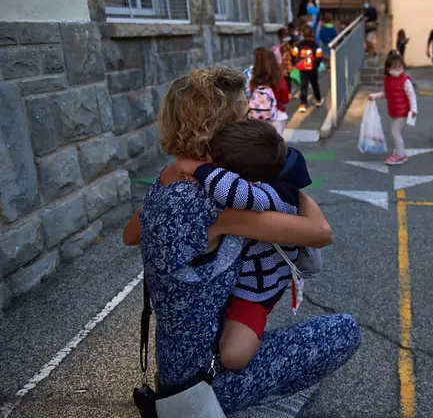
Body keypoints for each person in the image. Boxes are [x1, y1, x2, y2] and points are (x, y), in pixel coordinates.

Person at [122, 67, 360, 414]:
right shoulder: (218, 206)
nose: (255, 124)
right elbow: (321, 233)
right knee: (345, 330)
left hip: (175, 369)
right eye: (246, 117)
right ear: (221, 131)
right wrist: (290, 188)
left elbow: (131, 234)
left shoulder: (170, 177)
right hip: (205, 384)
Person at [173, 120, 313, 369]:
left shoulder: (275, 194)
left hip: (256, 291)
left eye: (213, 164)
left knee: (233, 357)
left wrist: (194, 167)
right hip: (232, 283)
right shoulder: (259, 178)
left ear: (242, 178)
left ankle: (286, 354)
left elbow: (237, 193)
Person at [367, 53, 418, 165]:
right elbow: (385, 94)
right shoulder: (387, 80)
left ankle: (400, 156)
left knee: (395, 132)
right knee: (395, 132)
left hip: (402, 112)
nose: (397, 69)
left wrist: (414, 109)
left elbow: (412, 96)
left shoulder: (405, 81)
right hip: (393, 111)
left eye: (399, 67)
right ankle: (401, 153)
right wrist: (374, 96)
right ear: (388, 68)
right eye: (394, 67)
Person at [293, 24, 323, 113]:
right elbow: (319, 56)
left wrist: (296, 63)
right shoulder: (315, 44)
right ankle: (318, 100)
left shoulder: (299, 44)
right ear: (312, 34)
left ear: (302, 34)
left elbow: (294, 54)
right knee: (315, 84)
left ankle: (303, 104)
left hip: (302, 69)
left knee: (303, 86)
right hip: (312, 68)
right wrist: (316, 65)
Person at [276, 28, 295, 92]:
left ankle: (287, 92)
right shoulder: (283, 46)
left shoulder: (284, 45)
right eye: (285, 35)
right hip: (284, 65)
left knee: (288, 79)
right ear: (281, 36)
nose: (287, 36)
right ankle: (287, 92)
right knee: (286, 79)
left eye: (287, 34)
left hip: (287, 65)